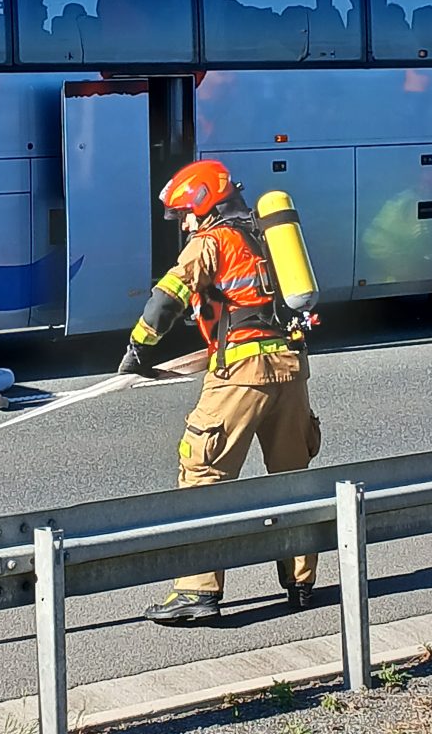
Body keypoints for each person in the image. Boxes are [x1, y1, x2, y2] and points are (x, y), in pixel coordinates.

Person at [118, 159, 321, 624]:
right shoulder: (268, 234)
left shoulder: (209, 242)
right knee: (291, 477)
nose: (184, 223)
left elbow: (167, 299)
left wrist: (138, 348)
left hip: (241, 375)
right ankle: (302, 582)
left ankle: (196, 591)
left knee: (203, 475)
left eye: (185, 213)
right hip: (292, 368)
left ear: (203, 204)